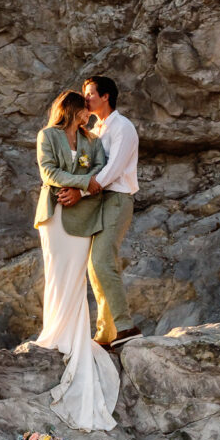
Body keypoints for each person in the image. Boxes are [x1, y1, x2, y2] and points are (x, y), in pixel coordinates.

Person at [33, 90, 119, 432]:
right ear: (72, 109)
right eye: (85, 107)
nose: (90, 112)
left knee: (76, 278)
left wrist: (82, 191)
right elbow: (48, 172)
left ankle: (74, 336)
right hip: (54, 215)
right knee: (57, 274)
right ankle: (55, 334)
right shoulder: (48, 135)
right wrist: (80, 183)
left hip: (81, 216)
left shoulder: (90, 139)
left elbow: (99, 168)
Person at [58, 76, 140, 349]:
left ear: (106, 96)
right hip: (99, 200)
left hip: (117, 199)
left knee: (103, 260)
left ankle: (127, 326)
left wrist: (79, 192)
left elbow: (112, 170)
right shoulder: (97, 129)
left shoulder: (123, 127)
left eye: (91, 93)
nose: (87, 98)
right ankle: (106, 333)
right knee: (95, 267)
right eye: (85, 93)